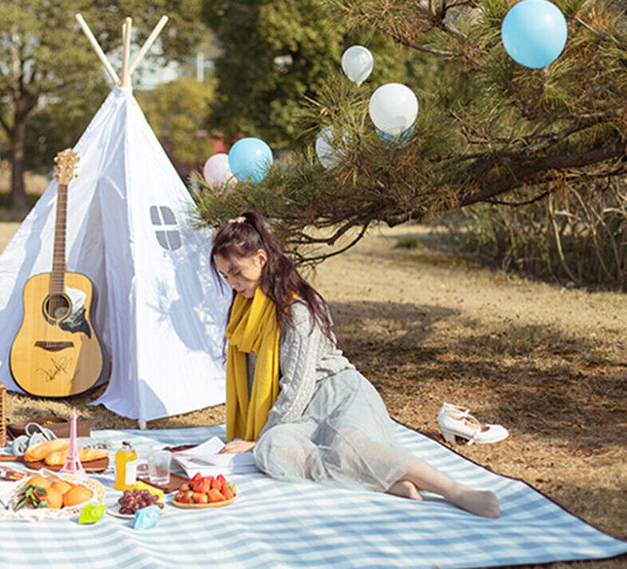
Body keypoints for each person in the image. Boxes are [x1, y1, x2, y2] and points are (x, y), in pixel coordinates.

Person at [209, 211, 500, 518]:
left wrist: (257, 438)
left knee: (347, 446)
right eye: (225, 276)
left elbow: (298, 384)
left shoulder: (297, 310)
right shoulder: (246, 311)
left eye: (237, 272)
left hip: (339, 395)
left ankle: (455, 491)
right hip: (303, 415)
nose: (232, 283)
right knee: (272, 451)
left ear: (260, 259)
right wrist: (262, 441)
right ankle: (385, 483)